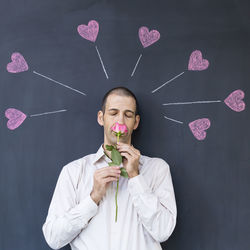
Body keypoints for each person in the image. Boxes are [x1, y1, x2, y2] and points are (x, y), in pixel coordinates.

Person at [42, 86, 177, 250]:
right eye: (113, 113)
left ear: (136, 122)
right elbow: (53, 238)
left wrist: (135, 177)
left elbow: (163, 231)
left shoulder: (157, 169)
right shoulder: (74, 171)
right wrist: (93, 198)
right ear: (101, 118)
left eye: (128, 115)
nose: (120, 121)